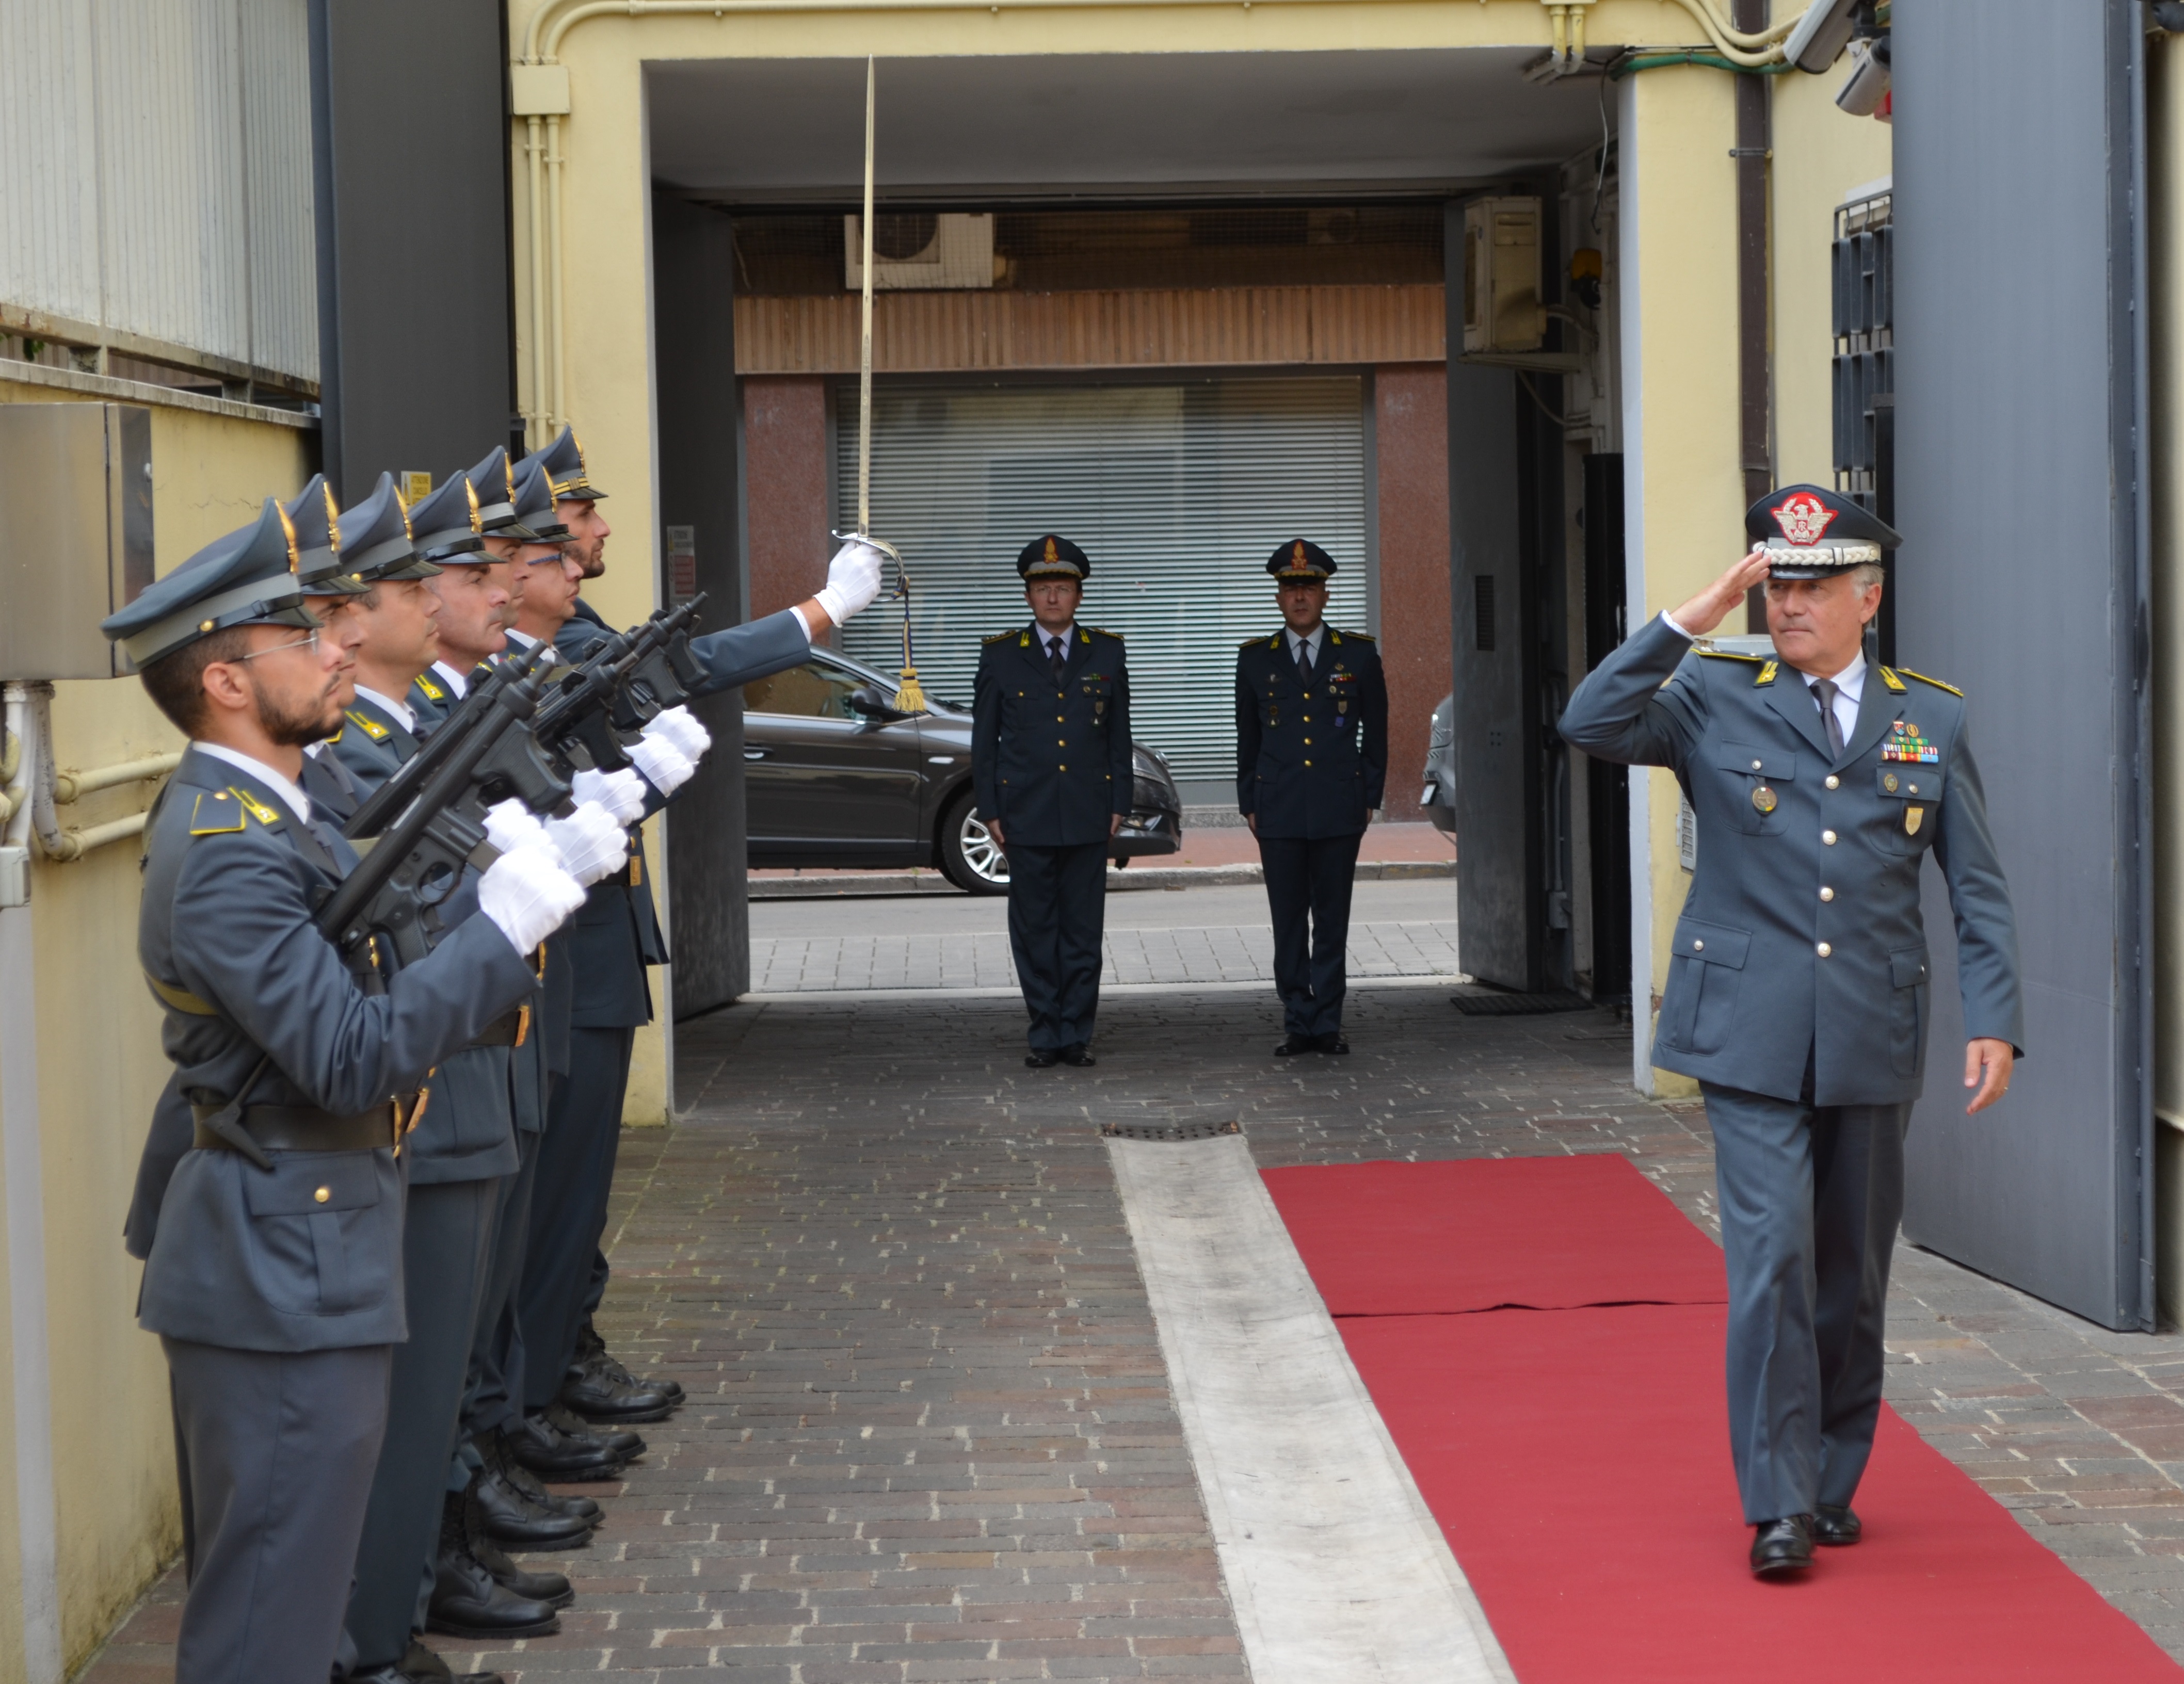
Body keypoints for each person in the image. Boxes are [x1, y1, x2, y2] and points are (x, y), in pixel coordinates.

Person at [105, 498, 586, 1684]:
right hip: (279, 1260)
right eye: (302, 639)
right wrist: (504, 928)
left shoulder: (278, 817)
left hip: (311, 1241)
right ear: (226, 680)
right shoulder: (227, 855)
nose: (338, 649)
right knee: (271, 1613)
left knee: (301, 1594)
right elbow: (351, 1056)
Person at [1557, 483, 2023, 1577]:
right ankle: (1777, 1502)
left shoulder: (1929, 717)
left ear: (1869, 594)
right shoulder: (1713, 697)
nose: (1790, 604)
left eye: (1813, 585)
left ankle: (1829, 1475)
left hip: (1870, 1027)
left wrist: (1994, 1019)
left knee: (1850, 1273)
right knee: (1769, 1262)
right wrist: (1693, 615)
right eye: (1778, 582)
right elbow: (1588, 721)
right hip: (1748, 1031)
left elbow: (1979, 888)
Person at [515, 424, 888, 1449]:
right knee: (555, 1200)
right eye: (578, 516)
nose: (599, 525)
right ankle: (532, 1389)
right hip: (560, 959)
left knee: (577, 1197)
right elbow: (690, 666)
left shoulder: (577, 622)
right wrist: (824, 611)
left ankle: (561, 1357)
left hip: (592, 949)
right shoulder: (557, 643)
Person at [972, 535, 1131, 1068]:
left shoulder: (1106, 651)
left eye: (1062, 589)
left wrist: (1119, 802)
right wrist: (991, 810)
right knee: (1036, 931)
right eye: (1042, 589)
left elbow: (1117, 736)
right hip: (1027, 814)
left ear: (1078, 596)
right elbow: (984, 742)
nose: (1052, 599)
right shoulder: (999, 656)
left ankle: (1076, 1035)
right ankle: (1045, 1032)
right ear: (1027, 597)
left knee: (1082, 932)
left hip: (1088, 812)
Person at [1234, 539, 1387, 1056]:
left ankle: (1328, 1021)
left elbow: (1377, 733)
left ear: (1324, 594)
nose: (1299, 598)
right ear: (1278, 598)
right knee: (1287, 921)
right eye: (1290, 589)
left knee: (1331, 917)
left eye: (1308, 588)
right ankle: (1297, 1019)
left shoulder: (1358, 654)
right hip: (1276, 807)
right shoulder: (1255, 660)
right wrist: (1247, 799)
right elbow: (1247, 738)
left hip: (1338, 804)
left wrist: (1368, 792)